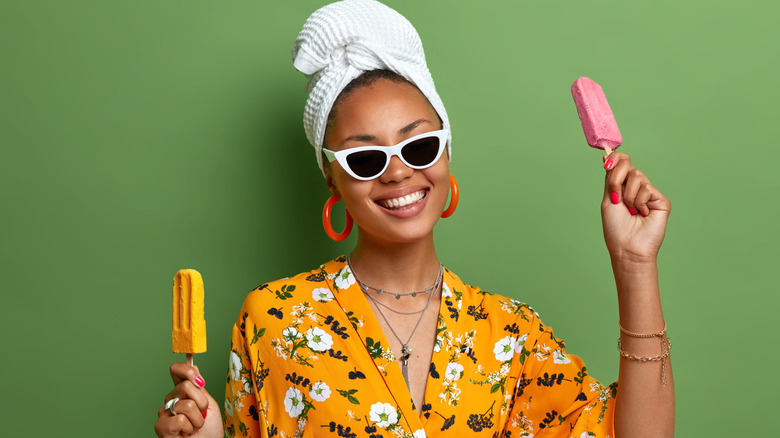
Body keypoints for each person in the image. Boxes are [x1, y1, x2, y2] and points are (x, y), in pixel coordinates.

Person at [154, 1, 674, 437]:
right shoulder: (273, 322)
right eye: (365, 157)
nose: (399, 172)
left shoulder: (511, 335)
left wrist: (634, 264)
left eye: (420, 145)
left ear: (446, 157)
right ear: (333, 182)